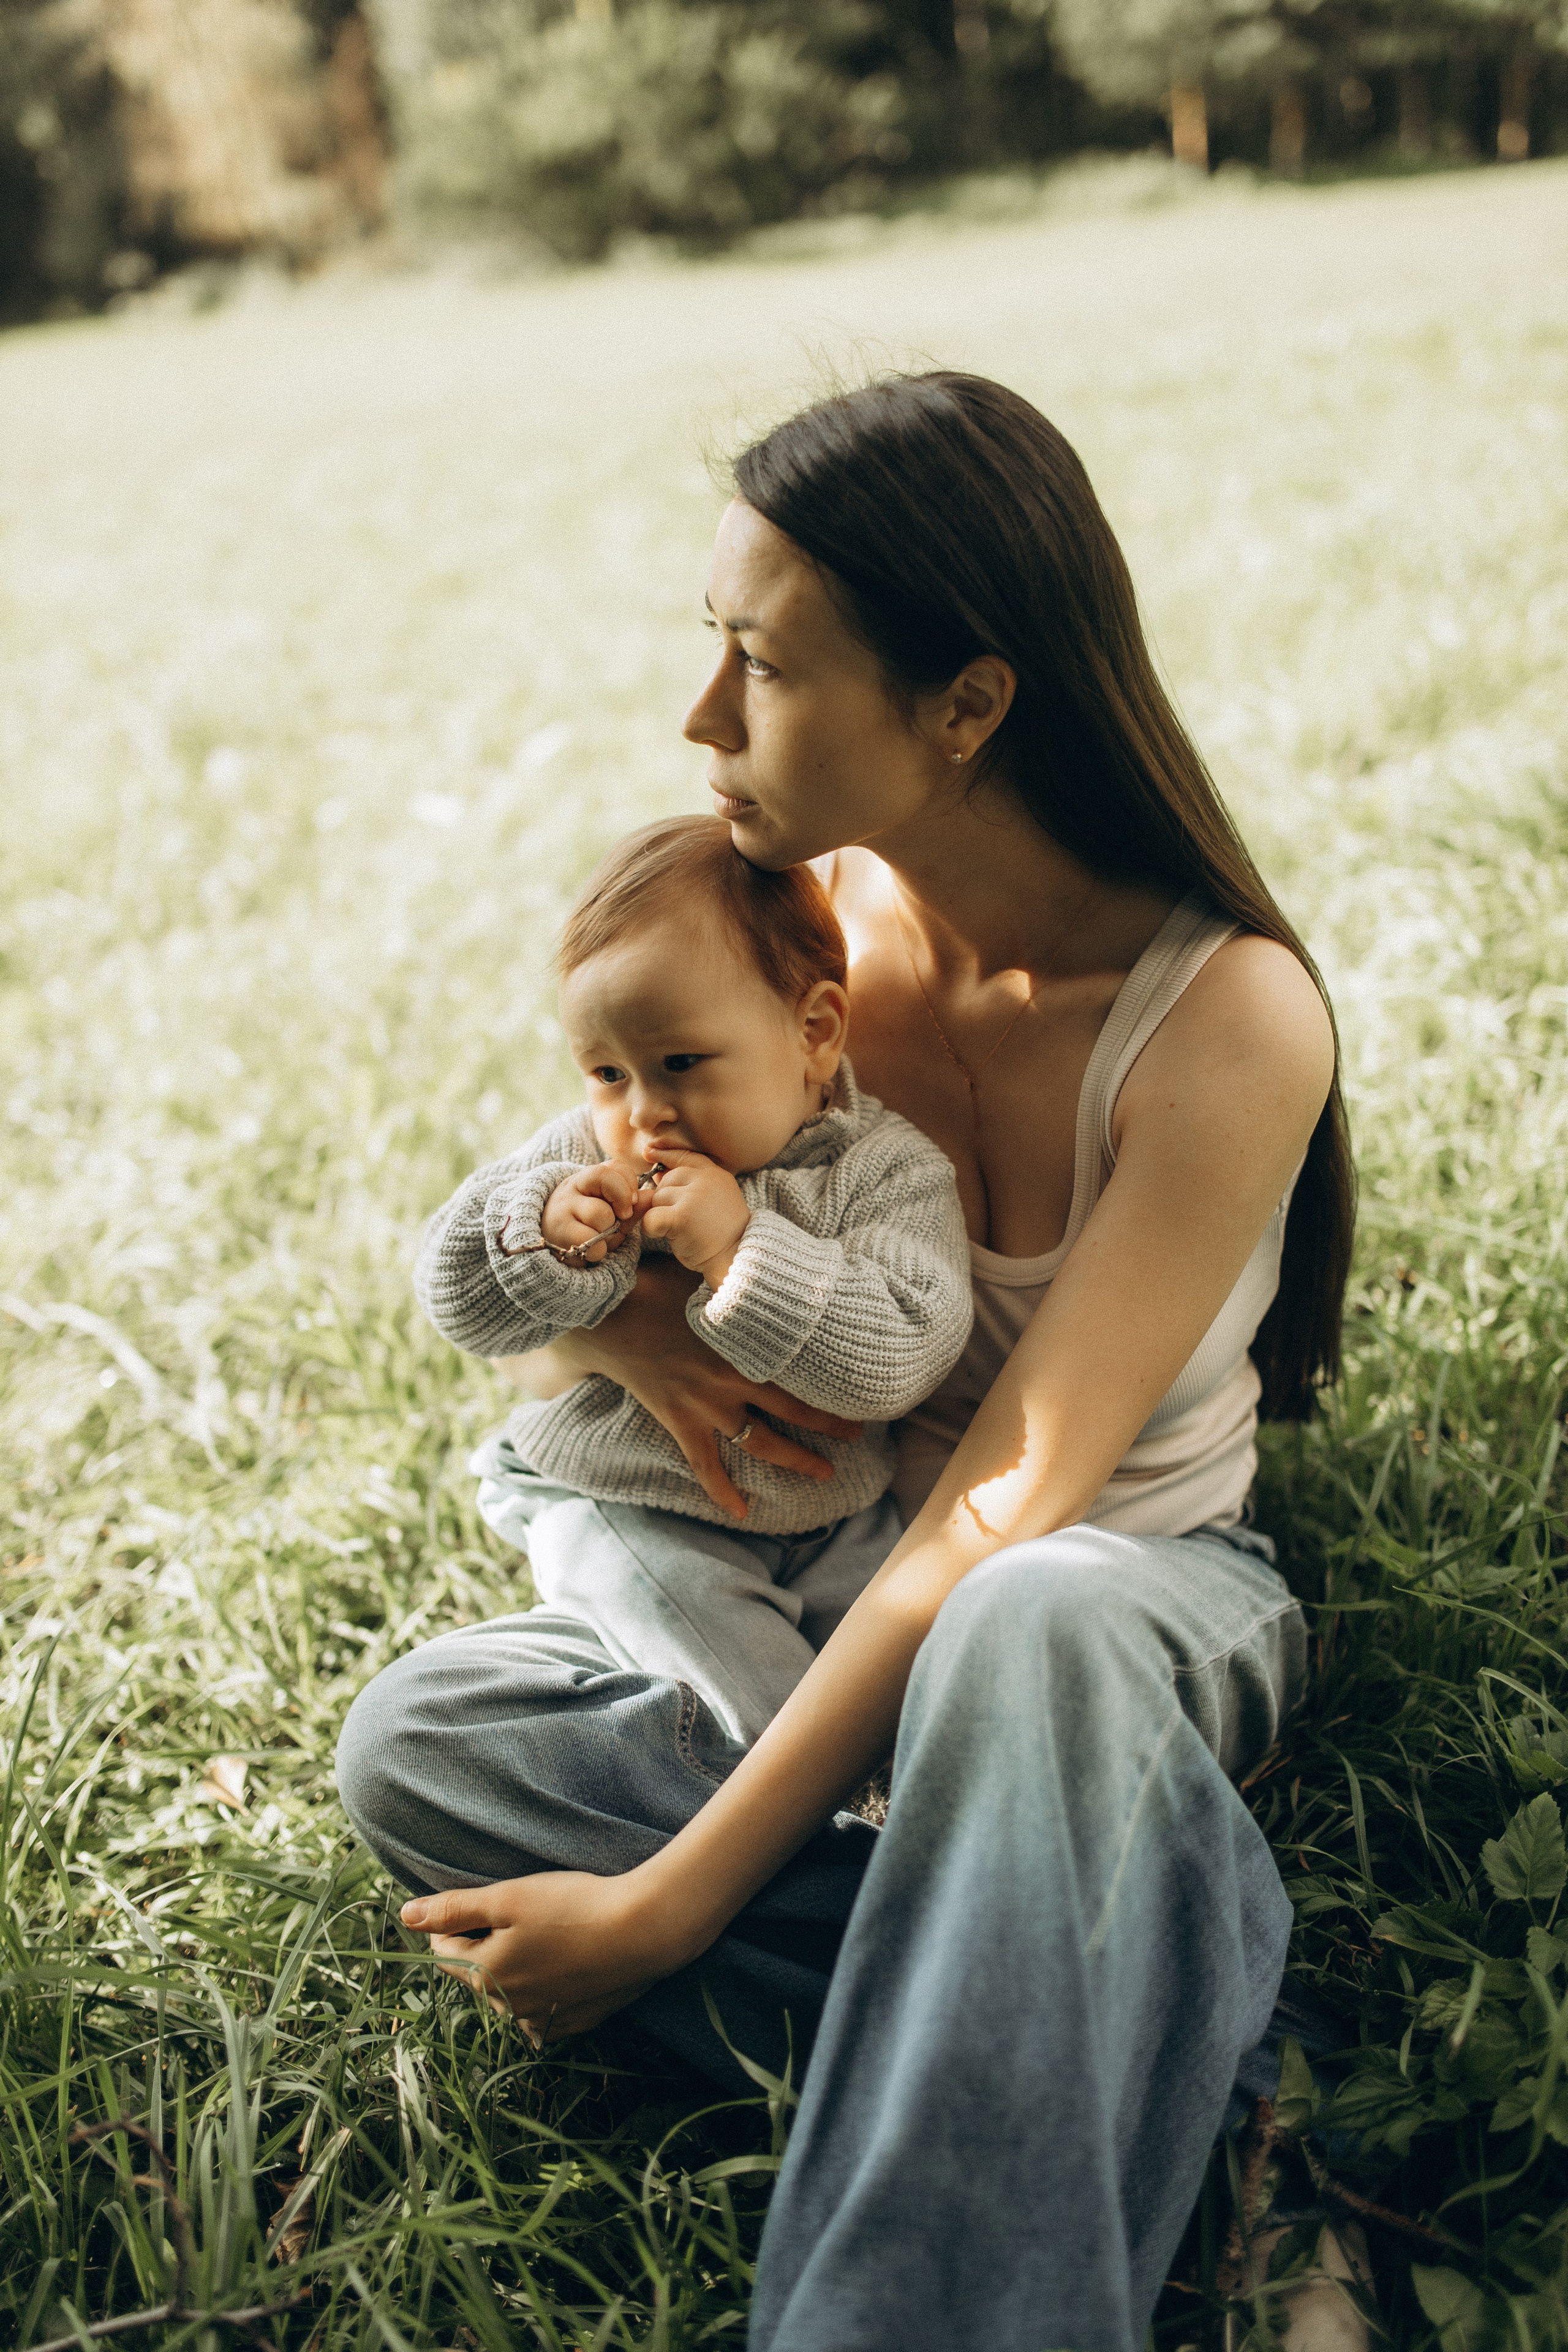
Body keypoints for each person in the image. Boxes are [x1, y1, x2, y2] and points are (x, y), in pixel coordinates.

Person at [336, 371, 1355, 2351]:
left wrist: (674, 1906)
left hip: (1111, 1608)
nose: (701, 717)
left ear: (966, 706)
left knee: (1026, 1625)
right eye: (711, 644)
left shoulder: (1228, 1019)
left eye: (765, 665)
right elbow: (565, 1279)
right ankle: (1169, 2029)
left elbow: (1007, 1511)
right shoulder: (798, 947)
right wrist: (626, 1313)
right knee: (427, 1742)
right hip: (817, 1593)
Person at [414, 814, 971, 1746]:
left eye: (679, 1064)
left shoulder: (884, 1172)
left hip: (834, 1518)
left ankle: (885, 1779)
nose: (643, 1113)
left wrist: (741, 1252)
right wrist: (539, 1234)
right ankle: (825, 1803)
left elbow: (906, 1351)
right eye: (607, 1073)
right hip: (630, 1505)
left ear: (814, 1032)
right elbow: (453, 1300)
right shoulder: (577, 1163)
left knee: (920, 1674)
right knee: (756, 1692)